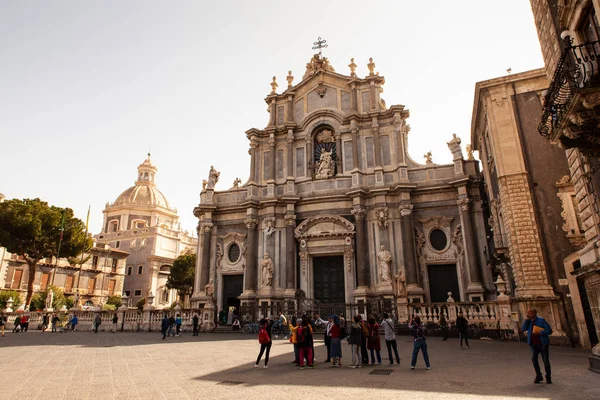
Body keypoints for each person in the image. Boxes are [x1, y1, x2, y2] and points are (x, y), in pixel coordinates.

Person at [522, 307, 553, 384]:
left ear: (534, 313)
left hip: (542, 343)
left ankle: (548, 377)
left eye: (529, 313)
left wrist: (541, 332)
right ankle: (539, 375)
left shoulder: (541, 321)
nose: (528, 314)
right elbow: (523, 329)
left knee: (545, 361)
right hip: (533, 344)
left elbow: (549, 331)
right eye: (527, 312)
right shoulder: (528, 322)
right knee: (534, 360)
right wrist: (526, 321)